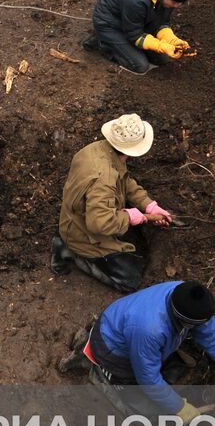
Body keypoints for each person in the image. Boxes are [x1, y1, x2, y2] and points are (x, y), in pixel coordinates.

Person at [59, 280, 215, 420]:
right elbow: (148, 378)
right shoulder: (149, 329)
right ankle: (101, 370)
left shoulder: (188, 296)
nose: (205, 326)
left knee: (168, 365)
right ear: (183, 320)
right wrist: (177, 406)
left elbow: (212, 336)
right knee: (144, 408)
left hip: (130, 331)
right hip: (112, 347)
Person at [52, 114, 175, 293]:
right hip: (82, 232)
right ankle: (71, 252)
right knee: (131, 279)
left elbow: (124, 181)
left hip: (75, 216)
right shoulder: (104, 178)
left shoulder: (97, 150)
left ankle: (66, 243)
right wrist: (133, 217)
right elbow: (99, 223)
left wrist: (149, 205)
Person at [82, 0, 194, 74]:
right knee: (140, 65)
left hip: (133, 23)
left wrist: (172, 41)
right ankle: (102, 42)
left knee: (162, 59)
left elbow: (162, 23)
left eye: (180, 3)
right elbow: (135, 35)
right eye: (174, 3)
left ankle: (121, 45)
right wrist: (160, 46)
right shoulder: (137, 1)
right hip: (109, 24)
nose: (177, 6)